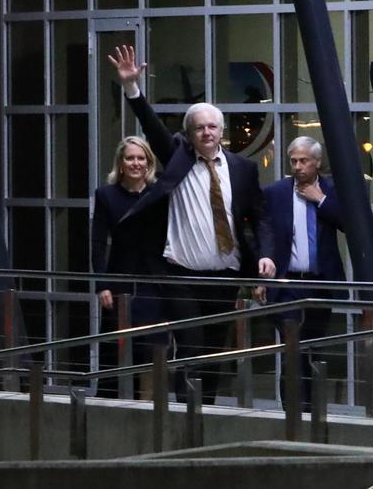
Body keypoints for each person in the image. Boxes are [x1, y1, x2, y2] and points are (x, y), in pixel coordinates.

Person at [108, 45, 276, 404]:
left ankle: (207, 409)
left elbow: (259, 217)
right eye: (199, 128)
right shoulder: (177, 158)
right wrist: (132, 89)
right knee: (192, 345)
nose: (207, 132)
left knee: (215, 349)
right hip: (182, 275)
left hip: (225, 274)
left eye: (212, 126)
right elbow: (153, 128)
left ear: (222, 130)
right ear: (189, 134)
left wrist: (265, 256)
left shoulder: (242, 169)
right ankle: (188, 412)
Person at [254, 136, 346, 410]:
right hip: (287, 282)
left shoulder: (332, 190)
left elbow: (350, 224)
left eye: (304, 161)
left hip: (320, 282)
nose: (297, 166)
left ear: (317, 162)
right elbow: (264, 232)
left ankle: (314, 408)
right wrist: (261, 275)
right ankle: (294, 410)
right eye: (293, 161)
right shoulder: (276, 192)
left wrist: (321, 201)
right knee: (292, 348)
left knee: (313, 348)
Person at [91, 136, 164, 398]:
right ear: (120, 163)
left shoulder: (158, 194)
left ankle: (149, 407)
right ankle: (108, 407)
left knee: (150, 347)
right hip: (118, 279)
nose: (135, 163)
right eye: (130, 158)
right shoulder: (106, 195)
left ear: (149, 162)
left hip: (153, 281)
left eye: (141, 158)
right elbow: (98, 243)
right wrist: (102, 285)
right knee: (114, 348)